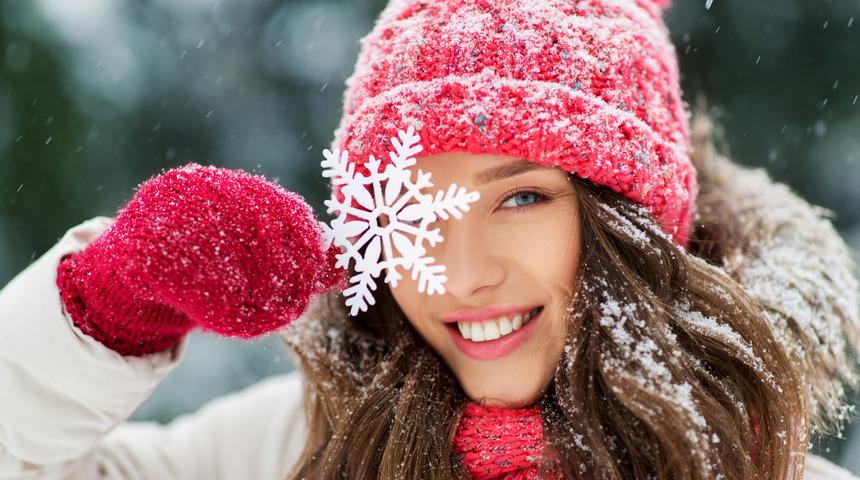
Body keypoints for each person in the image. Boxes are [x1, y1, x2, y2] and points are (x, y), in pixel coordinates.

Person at [1, 0, 858, 478]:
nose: (461, 274)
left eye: (520, 198)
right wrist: (105, 308)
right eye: (414, 207)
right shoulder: (298, 448)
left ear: (633, 221)